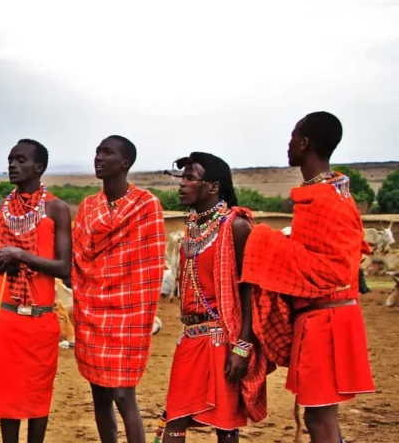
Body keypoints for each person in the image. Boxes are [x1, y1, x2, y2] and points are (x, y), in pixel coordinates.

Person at [241, 112, 375, 443]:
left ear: (304, 143)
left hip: (326, 319)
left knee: (318, 417)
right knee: (321, 414)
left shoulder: (323, 198)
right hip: (327, 315)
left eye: (292, 137)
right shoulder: (334, 194)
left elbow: (331, 268)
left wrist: (261, 238)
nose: (288, 144)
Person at [160, 152, 270, 443]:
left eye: (190, 178)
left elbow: (250, 290)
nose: (182, 184)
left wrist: (242, 348)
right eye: (181, 177)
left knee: (225, 426)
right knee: (173, 420)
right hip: (191, 338)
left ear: (213, 187)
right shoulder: (193, 228)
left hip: (223, 339)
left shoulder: (237, 227)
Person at [71, 135, 166, 443]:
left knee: (124, 396)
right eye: (97, 151)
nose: (98, 157)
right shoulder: (87, 207)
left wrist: (129, 305)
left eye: (107, 152)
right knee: (99, 396)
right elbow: (78, 258)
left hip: (128, 315)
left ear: (125, 163)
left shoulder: (146, 205)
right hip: (91, 312)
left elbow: (149, 267)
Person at [0, 139, 72, 443]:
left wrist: (20, 255)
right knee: (7, 399)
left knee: (37, 397)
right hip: (4, 318)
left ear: (39, 167)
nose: (12, 165)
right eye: (10, 159)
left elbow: (64, 267)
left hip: (39, 320)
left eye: (20, 160)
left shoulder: (57, 209)